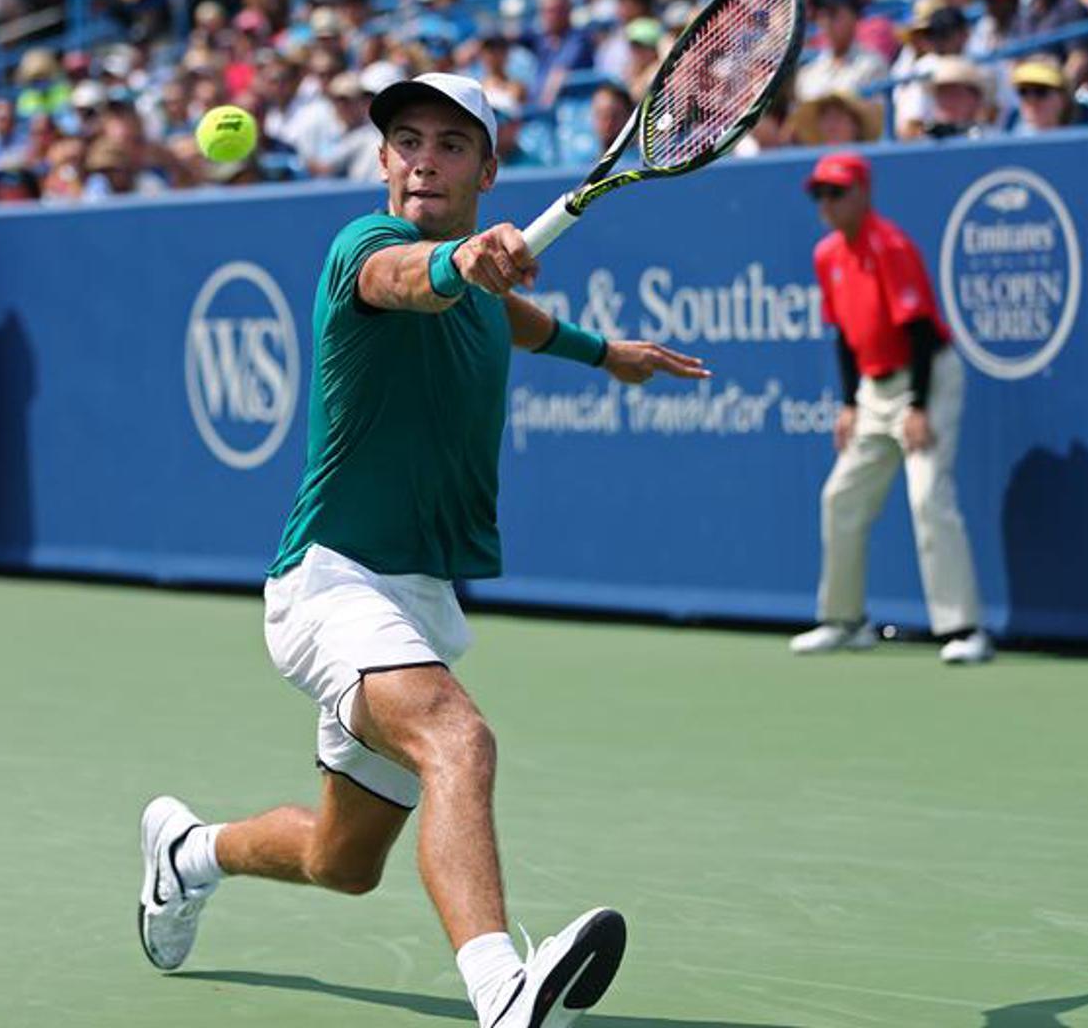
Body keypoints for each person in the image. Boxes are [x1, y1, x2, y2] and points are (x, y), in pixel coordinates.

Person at [136, 73, 710, 1028]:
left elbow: (515, 318)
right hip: (331, 581)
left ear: (488, 169)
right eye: (407, 141)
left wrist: (605, 354)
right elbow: (410, 280)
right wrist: (462, 260)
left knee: (341, 861)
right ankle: (501, 990)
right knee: (458, 738)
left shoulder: (484, 291)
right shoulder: (364, 248)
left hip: (418, 598)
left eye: (450, 145)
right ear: (381, 161)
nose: (424, 162)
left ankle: (187, 853)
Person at [791, 152, 992, 665]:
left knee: (927, 497)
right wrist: (849, 404)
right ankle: (845, 620)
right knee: (840, 497)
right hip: (873, 391)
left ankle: (964, 628)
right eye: (819, 195)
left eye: (836, 193)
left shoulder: (891, 246)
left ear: (863, 193)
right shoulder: (827, 255)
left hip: (926, 380)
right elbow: (843, 335)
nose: (826, 204)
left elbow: (919, 331)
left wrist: (919, 407)